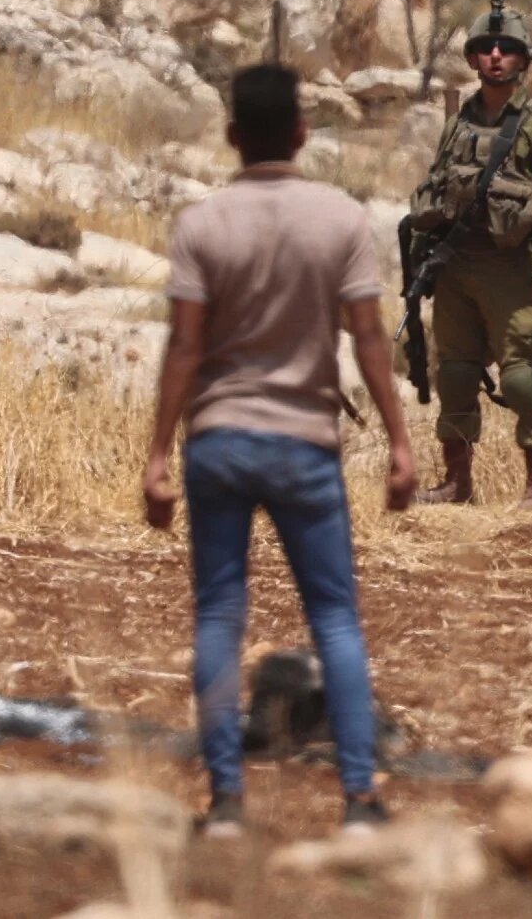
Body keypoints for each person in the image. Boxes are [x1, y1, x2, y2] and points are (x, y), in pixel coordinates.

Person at [142, 64, 416, 837]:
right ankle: (360, 798)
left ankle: (225, 799)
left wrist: (158, 455)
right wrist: (399, 442)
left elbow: (185, 348)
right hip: (306, 443)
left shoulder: (202, 224)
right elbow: (366, 336)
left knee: (221, 614)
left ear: (231, 136)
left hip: (221, 441)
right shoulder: (339, 220)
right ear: (302, 132)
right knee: (335, 617)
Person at [405, 0, 532, 507]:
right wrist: (421, 261)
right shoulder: (458, 124)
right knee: (455, 374)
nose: (496, 56)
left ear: (525, 59)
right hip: (457, 267)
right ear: (474, 58)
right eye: (486, 48)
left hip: (514, 268)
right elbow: (435, 188)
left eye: (507, 49)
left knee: (523, 377)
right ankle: (457, 484)